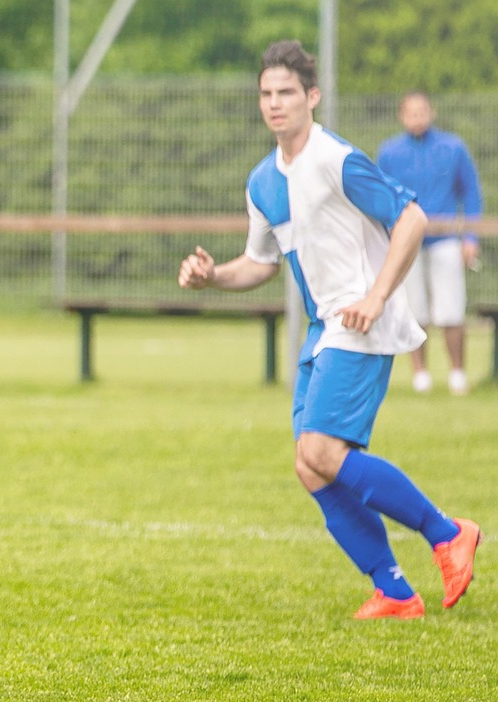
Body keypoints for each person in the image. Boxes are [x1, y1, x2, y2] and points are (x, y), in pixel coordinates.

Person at [177, 40, 480, 620]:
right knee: (308, 464)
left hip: (362, 319)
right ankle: (394, 592)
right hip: (324, 329)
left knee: (321, 449)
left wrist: (377, 295)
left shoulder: (335, 159)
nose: (275, 103)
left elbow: (412, 218)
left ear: (311, 97)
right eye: (266, 94)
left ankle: (447, 532)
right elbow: (260, 263)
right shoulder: (263, 180)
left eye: (286, 92)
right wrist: (213, 276)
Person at [377, 91, 484, 395]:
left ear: (431, 112)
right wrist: (388, 240)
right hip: (406, 242)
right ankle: (420, 375)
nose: (417, 117)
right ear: (402, 115)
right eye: (411, 112)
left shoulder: (453, 147)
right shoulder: (389, 152)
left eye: (422, 111)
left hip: (446, 239)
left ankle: (456, 373)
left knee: (451, 310)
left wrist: (471, 236)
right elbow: (382, 198)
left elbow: (472, 193)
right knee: (415, 311)